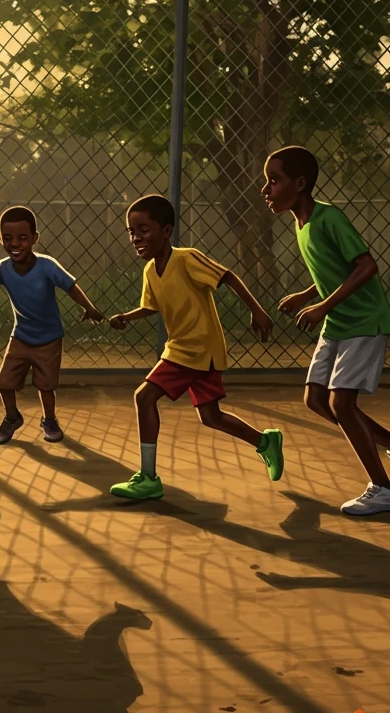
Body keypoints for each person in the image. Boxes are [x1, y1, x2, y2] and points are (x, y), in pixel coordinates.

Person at [263, 145, 390, 515]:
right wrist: (306, 294)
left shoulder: (328, 218)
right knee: (316, 399)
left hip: (364, 322)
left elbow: (366, 266)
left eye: (274, 181)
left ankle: (384, 489)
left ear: (300, 183)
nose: (266, 189)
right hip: (339, 323)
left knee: (341, 404)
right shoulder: (300, 223)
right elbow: (333, 269)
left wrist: (322, 306)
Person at [107, 194, 283, 500]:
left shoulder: (186, 258)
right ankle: (264, 442)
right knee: (210, 416)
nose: (136, 237)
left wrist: (257, 310)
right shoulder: (150, 271)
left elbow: (227, 276)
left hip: (195, 348)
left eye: (144, 230)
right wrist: (127, 317)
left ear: (166, 231)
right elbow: (151, 306)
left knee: (144, 397)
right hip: (190, 350)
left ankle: (148, 477)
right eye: (132, 232)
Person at [0, 205, 103, 444]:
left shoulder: (47, 265)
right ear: (0, 239)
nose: (15, 244)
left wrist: (89, 307)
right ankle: (12, 417)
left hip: (50, 338)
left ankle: (49, 419)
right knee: (4, 383)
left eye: (22, 238)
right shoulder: (3, 268)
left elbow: (70, 286)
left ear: (34, 238)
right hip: (21, 336)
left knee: (45, 386)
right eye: (8, 238)